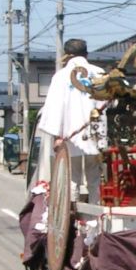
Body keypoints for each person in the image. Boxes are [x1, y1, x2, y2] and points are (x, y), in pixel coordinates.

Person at [38, 38, 106, 204]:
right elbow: (109, 101)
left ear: (67, 56)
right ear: (86, 54)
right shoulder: (99, 73)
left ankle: (73, 216)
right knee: (94, 176)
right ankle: (95, 215)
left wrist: (56, 135)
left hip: (70, 133)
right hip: (96, 131)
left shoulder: (60, 77)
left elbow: (54, 107)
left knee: (72, 177)